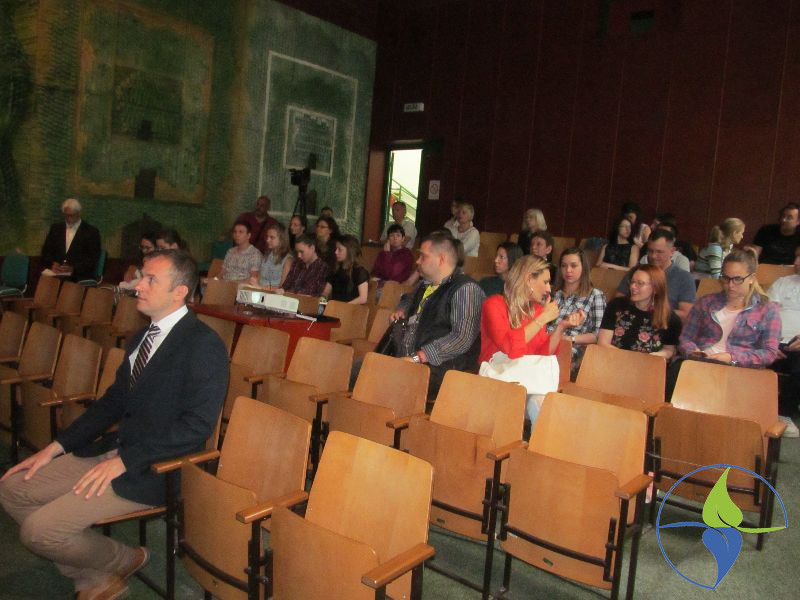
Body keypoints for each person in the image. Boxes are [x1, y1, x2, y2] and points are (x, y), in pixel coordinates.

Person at [0, 249, 228, 600]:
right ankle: (97, 573)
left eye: (150, 279)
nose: (138, 285)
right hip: (115, 451)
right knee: (12, 488)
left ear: (180, 291)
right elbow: (112, 403)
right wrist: (55, 447)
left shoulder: (204, 346)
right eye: (141, 277)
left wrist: (125, 461)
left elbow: (195, 428)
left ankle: (124, 559)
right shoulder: (142, 337)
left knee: (37, 532)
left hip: (156, 468)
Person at [674, 249, 781, 404]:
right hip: (701, 363)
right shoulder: (706, 302)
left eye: (737, 279)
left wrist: (732, 358)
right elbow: (686, 337)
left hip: (739, 370)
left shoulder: (768, 310)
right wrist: (693, 352)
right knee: (679, 371)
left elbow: (769, 353)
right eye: (725, 278)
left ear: (751, 278)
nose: (730, 285)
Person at [388, 232, 485, 398]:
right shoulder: (425, 285)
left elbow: (462, 338)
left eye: (423, 256)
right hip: (408, 362)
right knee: (361, 369)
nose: (417, 261)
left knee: (377, 379)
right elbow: (407, 299)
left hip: (441, 370)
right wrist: (402, 309)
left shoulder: (466, 289)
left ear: (441, 259)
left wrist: (419, 357)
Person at [480, 255, 585, 364]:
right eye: (545, 282)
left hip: (524, 372)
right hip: (496, 372)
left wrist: (561, 327)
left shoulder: (537, 309)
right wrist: (543, 318)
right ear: (529, 279)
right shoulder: (493, 305)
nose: (549, 289)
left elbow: (542, 355)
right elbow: (509, 347)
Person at [599, 264, 681, 358]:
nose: (633, 287)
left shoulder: (671, 319)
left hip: (647, 364)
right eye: (632, 282)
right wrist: (631, 359)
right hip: (612, 359)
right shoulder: (616, 305)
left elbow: (669, 350)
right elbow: (603, 343)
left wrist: (654, 356)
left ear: (656, 288)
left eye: (640, 283)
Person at [549, 247, 607, 378]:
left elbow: (598, 335)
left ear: (583, 268)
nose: (568, 270)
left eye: (573, 266)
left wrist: (571, 339)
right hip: (546, 341)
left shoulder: (595, 295)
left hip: (570, 347)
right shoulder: (553, 294)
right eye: (564, 266)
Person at [617, 229, 696, 320]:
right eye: (650, 251)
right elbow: (618, 302)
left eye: (659, 252)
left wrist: (651, 311)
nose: (653, 256)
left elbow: (686, 314)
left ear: (672, 251)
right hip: (631, 320)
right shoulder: (636, 271)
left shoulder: (684, 278)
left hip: (665, 324)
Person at [768, 246, 800, 437]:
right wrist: (770, 341)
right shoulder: (782, 283)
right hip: (776, 341)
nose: (796, 262)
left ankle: (784, 413)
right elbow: (768, 315)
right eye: (796, 256)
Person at [40, 198, 102, 281]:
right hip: (55, 275)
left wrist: (73, 268)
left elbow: (92, 258)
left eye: (72, 215)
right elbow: (46, 251)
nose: (69, 219)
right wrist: (52, 264)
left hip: (79, 276)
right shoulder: (56, 229)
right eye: (67, 215)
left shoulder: (91, 232)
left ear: (79, 213)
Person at [323, 235, 369, 303]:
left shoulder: (360, 272)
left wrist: (344, 307)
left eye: (340, 249)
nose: (336, 252)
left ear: (350, 251)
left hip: (351, 308)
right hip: (334, 307)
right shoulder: (335, 270)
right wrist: (321, 305)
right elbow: (325, 293)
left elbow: (363, 298)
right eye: (336, 249)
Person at [256, 223, 293, 289]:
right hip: (260, 290)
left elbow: (283, 287)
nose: (268, 240)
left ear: (282, 239)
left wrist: (262, 287)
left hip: (272, 293)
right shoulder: (266, 255)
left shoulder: (288, 260)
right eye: (267, 237)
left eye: (272, 237)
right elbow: (259, 277)